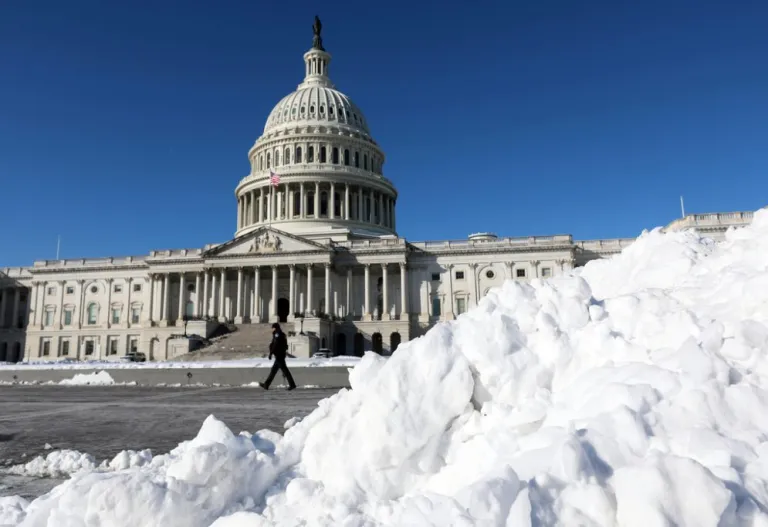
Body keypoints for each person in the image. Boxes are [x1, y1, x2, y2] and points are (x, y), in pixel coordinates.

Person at [259, 323, 297, 390]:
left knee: (285, 371)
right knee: (274, 371)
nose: (272, 329)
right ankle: (266, 384)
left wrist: (271, 353)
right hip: (280, 354)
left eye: (273, 328)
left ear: (275, 328)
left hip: (279, 355)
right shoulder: (282, 334)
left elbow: (275, 344)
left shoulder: (277, 334)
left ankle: (292, 385)